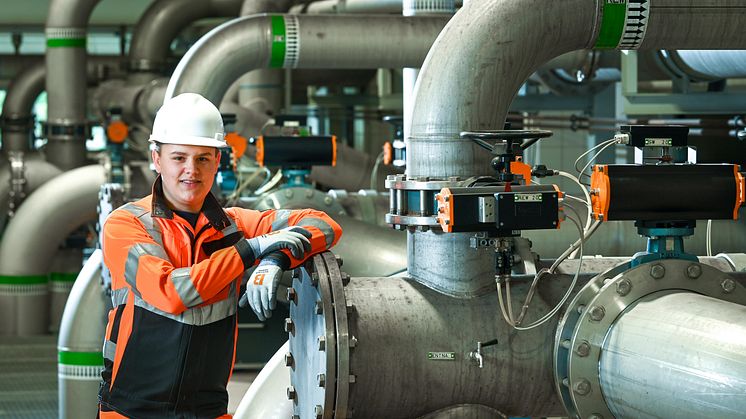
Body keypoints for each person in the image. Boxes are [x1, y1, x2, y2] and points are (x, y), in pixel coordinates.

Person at [98, 93, 342, 418]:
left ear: (217, 161)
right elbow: (171, 292)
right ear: (156, 158)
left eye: (203, 158)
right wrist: (252, 250)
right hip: (132, 411)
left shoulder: (234, 224)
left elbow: (325, 224)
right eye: (179, 157)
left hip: (208, 411)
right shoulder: (126, 225)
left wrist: (276, 259)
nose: (191, 170)